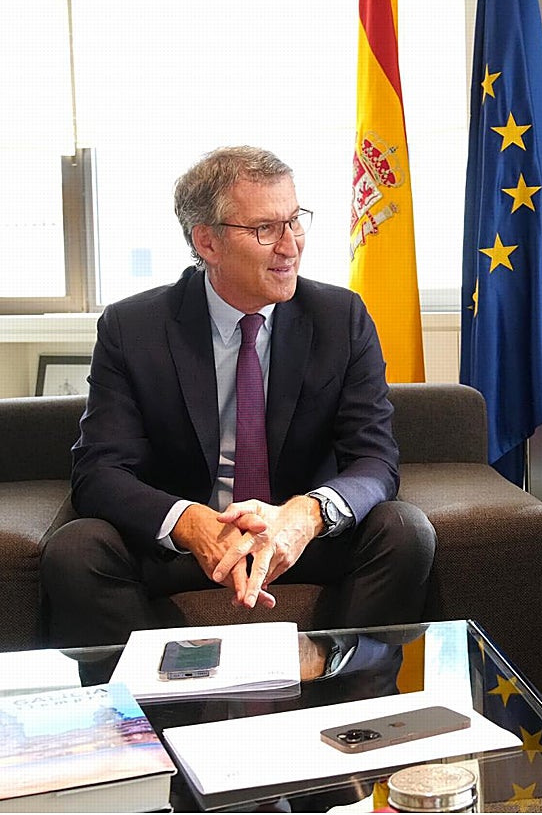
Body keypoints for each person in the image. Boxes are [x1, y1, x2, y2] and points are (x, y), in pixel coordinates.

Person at [41, 146, 436, 650]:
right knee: (75, 550)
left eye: (295, 221)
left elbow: (375, 458)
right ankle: (156, 696)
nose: (290, 246)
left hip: (300, 538)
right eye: (265, 229)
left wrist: (305, 516)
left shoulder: (341, 318)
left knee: (405, 531)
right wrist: (189, 522)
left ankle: (345, 688)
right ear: (207, 241)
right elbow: (99, 470)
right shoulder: (133, 328)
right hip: (187, 545)